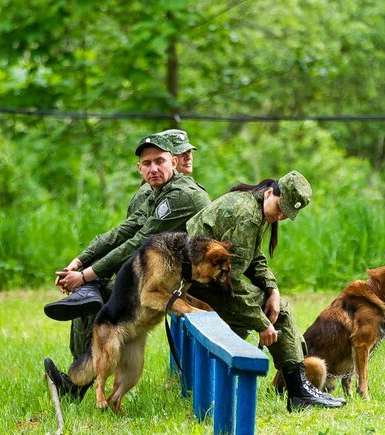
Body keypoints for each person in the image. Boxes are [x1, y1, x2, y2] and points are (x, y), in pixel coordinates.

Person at [43, 132, 210, 400]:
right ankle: (78, 376)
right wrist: (80, 262)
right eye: (147, 163)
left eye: (160, 161)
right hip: (157, 274)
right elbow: (124, 231)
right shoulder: (155, 191)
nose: (153, 168)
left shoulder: (180, 196)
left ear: (173, 162)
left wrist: (85, 276)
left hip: (199, 279)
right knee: (90, 294)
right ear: (139, 168)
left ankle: (78, 382)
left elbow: (138, 243)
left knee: (99, 297)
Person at [186, 171, 345, 411]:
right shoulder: (247, 215)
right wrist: (261, 322)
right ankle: (298, 388)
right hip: (201, 284)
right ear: (270, 192)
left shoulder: (254, 205)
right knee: (279, 314)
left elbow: (253, 257)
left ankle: (299, 385)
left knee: (278, 306)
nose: (280, 216)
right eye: (280, 208)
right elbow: (228, 280)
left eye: (286, 214)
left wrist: (272, 289)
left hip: (210, 281)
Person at [126, 129, 197, 216]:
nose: (188, 157)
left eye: (189, 151)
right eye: (181, 152)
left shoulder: (186, 188)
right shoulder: (147, 193)